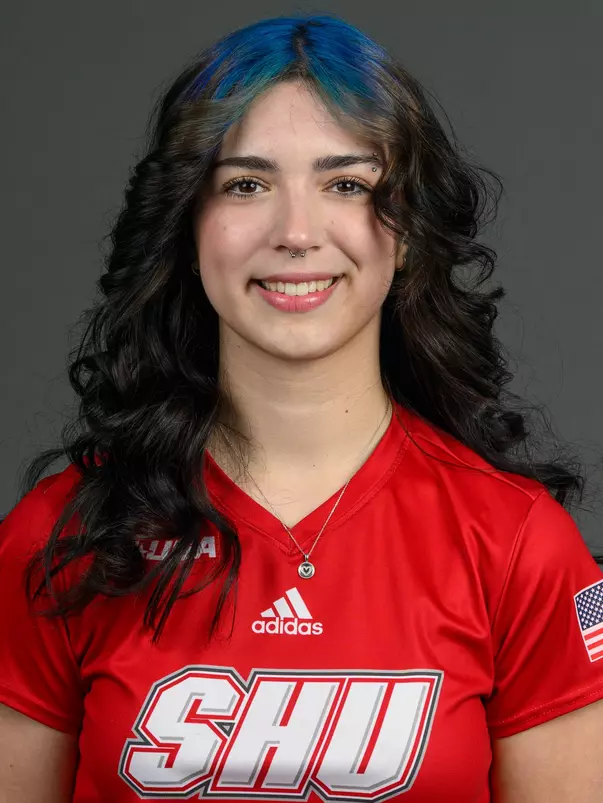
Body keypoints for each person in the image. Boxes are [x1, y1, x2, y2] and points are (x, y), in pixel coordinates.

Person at [0, 12, 602, 802]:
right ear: (187, 225)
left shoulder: (524, 546)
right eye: (245, 184)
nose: (294, 232)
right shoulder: (58, 538)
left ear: (408, 232)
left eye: (345, 184)